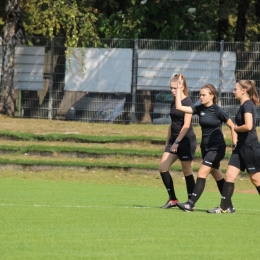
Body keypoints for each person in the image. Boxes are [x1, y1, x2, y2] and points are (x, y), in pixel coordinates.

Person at [174, 75, 237, 212]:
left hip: (217, 148)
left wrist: (234, 144)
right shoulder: (199, 108)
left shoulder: (217, 110)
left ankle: (190, 204)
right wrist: (179, 89)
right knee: (218, 175)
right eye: (200, 95)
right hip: (205, 148)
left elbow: (233, 126)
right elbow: (179, 107)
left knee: (202, 173)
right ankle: (229, 206)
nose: (201, 97)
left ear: (212, 96)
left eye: (203, 95)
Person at [208, 80, 260, 213]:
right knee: (230, 175)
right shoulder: (243, 105)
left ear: (244, 91)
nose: (233, 91)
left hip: (250, 148)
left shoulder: (248, 105)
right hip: (240, 148)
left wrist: (235, 128)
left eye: (235, 89)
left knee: (255, 179)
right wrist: (236, 142)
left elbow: (249, 126)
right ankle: (224, 208)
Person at [159, 74, 197, 208]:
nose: (172, 91)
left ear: (182, 87)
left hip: (185, 141)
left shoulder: (187, 102)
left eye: (175, 88)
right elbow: (172, 123)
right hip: (173, 142)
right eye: (171, 88)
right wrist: (168, 142)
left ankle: (190, 203)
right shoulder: (173, 102)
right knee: (163, 168)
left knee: (187, 172)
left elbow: (186, 125)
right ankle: (172, 199)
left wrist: (177, 142)